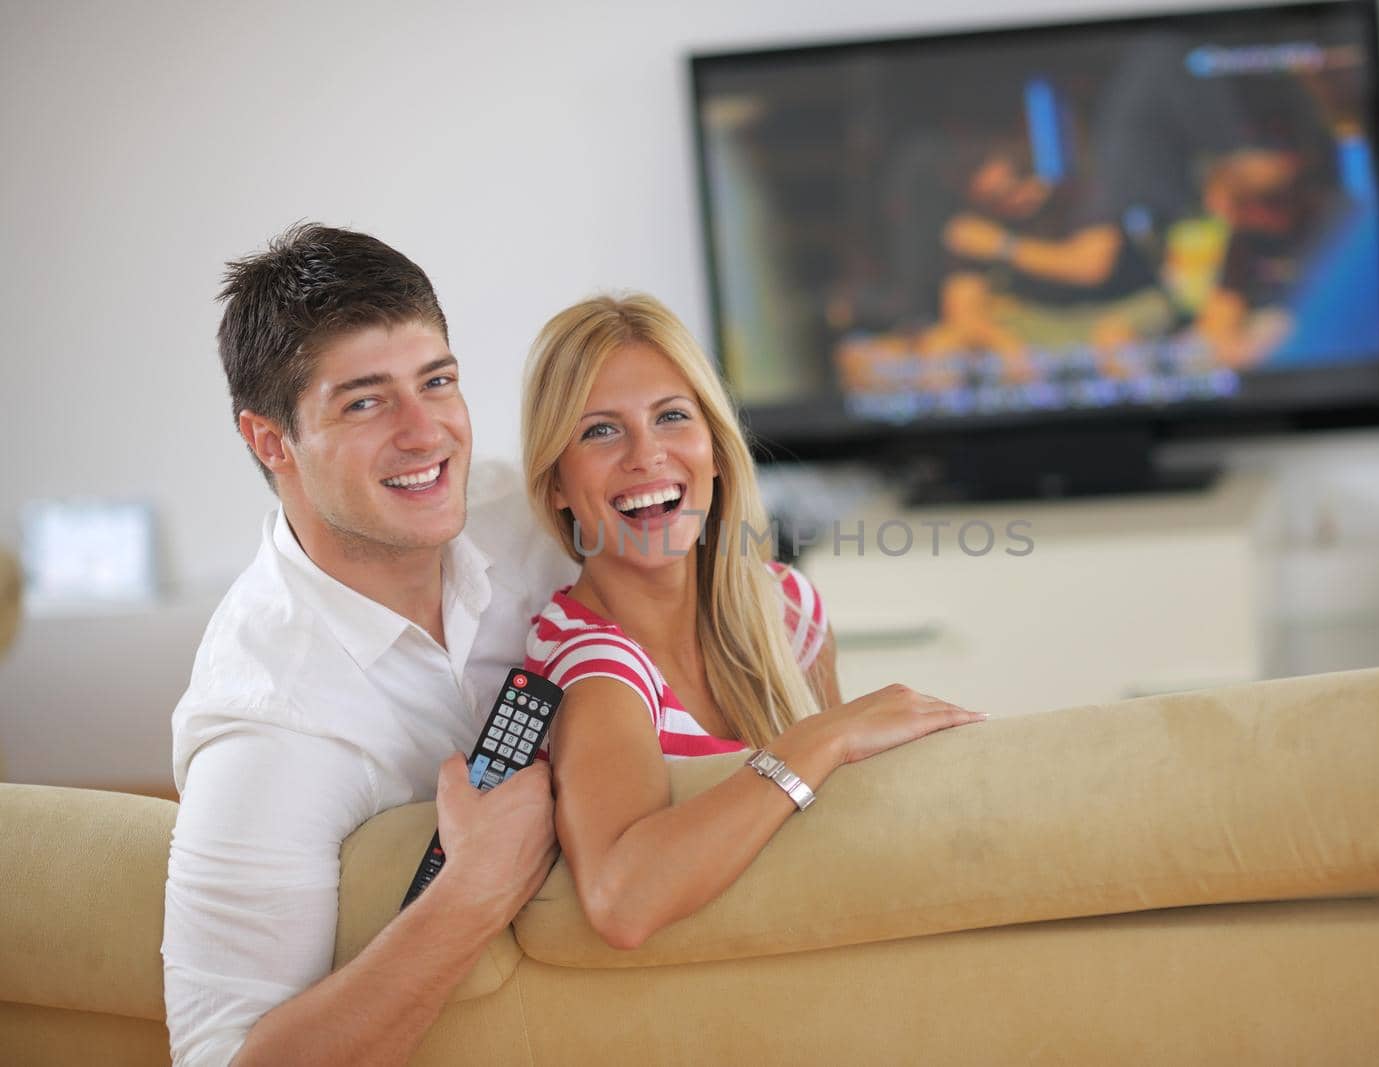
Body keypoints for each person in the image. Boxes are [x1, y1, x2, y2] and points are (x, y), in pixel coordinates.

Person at [161, 223, 577, 1066]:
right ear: (270, 441)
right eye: (364, 400)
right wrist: (473, 892)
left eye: (438, 382)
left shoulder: (521, 516)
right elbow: (221, 1059)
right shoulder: (266, 726)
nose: (427, 434)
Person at [519, 293, 985, 950]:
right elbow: (622, 897)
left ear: (713, 447)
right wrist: (821, 737)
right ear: (557, 484)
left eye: (672, 417)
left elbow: (843, 834)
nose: (646, 455)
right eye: (600, 429)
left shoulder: (786, 608)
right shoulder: (594, 668)